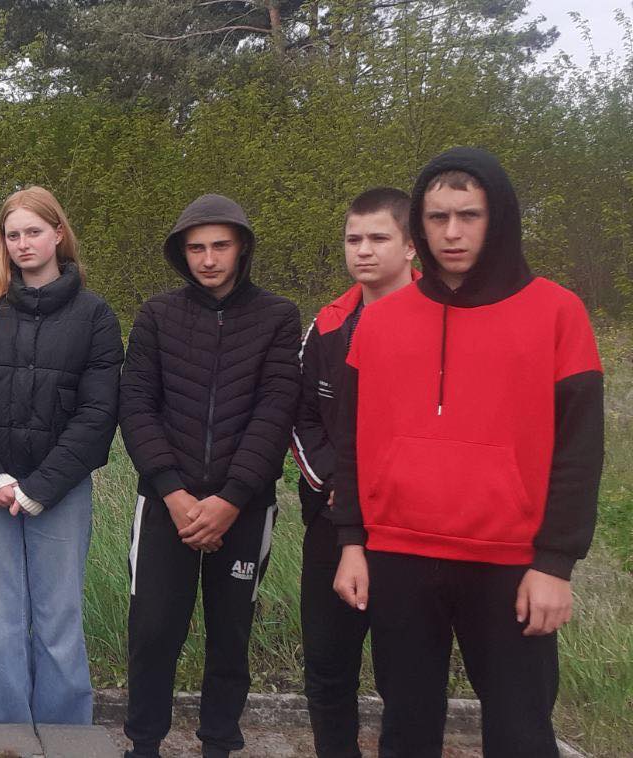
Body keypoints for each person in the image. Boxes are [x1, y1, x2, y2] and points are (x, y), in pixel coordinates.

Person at [331, 147, 602, 758]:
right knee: (406, 730)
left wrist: (556, 564)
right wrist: (350, 541)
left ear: (498, 217)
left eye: (469, 215)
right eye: (437, 217)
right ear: (419, 227)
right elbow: (350, 440)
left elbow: (581, 452)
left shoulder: (558, 312)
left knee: (521, 733)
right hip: (398, 555)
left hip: (512, 564)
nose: (452, 232)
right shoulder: (380, 321)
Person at [118, 193, 301, 758]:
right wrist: (173, 493)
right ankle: (143, 744)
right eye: (196, 248)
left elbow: (276, 412)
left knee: (230, 634)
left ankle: (219, 743)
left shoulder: (278, 317)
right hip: (165, 503)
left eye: (220, 245)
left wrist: (231, 499)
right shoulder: (157, 315)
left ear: (242, 247)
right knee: (153, 631)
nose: (209, 259)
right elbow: (136, 406)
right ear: (182, 253)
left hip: (243, 506)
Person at [0, 186, 124, 724]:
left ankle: (66, 735)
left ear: (58, 234)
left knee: (58, 620)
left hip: (61, 491)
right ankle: (8, 735)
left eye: (34, 232)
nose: (23, 244)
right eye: (12, 234)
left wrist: (43, 487)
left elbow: (99, 411)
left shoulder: (95, 316)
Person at [289, 187, 419, 758]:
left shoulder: (442, 322)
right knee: (326, 665)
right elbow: (299, 415)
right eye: (353, 239)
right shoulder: (327, 324)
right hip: (332, 516)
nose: (363, 250)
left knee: (406, 673)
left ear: (411, 246)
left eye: (378, 238)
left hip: (409, 526)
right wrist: (336, 483)